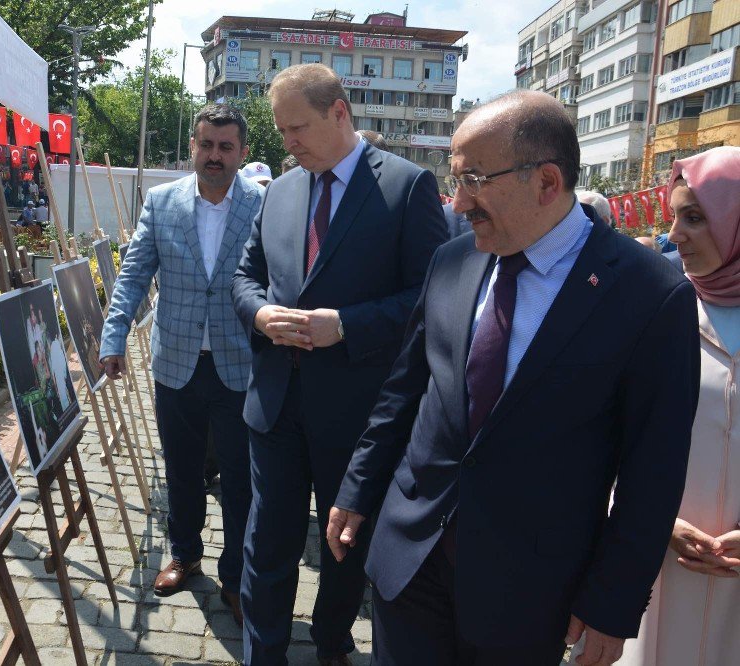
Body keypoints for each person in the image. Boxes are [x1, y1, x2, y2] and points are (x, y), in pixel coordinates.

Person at [326, 90, 700, 666]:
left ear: (546, 182)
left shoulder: (650, 295)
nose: (456, 202)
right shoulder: (453, 260)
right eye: (454, 179)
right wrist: (358, 486)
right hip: (410, 561)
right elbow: (404, 390)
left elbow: (653, 471)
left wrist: (613, 604)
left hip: (528, 595)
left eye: (473, 179)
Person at [230, 63, 447, 664]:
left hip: (358, 409)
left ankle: (331, 643)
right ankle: (263, 653)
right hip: (274, 403)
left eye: (298, 127)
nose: (289, 142)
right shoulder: (279, 190)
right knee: (264, 542)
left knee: (343, 543)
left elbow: (430, 301)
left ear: (339, 112)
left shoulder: (405, 188)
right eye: (281, 132)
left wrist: (346, 326)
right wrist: (259, 316)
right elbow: (245, 278)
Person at [101, 103, 264, 626]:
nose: (214, 156)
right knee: (182, 469)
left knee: (241, 478)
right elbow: (133, 275)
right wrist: (115, 334)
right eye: (206, 145)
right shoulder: (162, 201)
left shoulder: (263, 205)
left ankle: (237, 576)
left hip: (241, 367)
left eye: (225, 147)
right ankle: (185, 553)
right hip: (177, 364)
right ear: (192, 147)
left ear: (241, 152)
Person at [618, 146, 740, 666]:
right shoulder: (653, 312)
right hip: (658, 564)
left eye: (695, 217)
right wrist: (652, 519)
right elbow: (604, 437)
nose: (673, 235)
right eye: (673, 216)